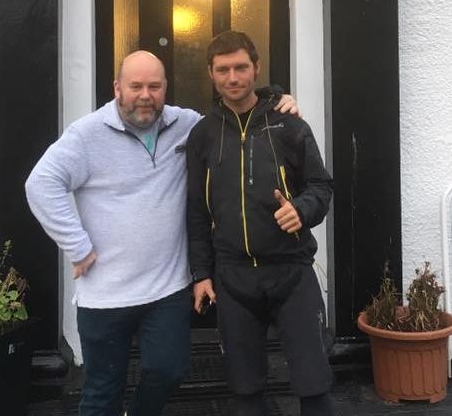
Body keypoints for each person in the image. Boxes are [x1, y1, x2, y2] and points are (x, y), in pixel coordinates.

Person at [25, 50, 299, 416]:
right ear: (117, 88)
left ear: (165, 89)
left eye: (154, 86)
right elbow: (41, 184)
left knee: (168, 371)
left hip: (166, 290)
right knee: (102, 391)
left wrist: (275, 97)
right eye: (135, 86)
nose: (145, 95)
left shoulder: (185, 125)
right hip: (105, 296)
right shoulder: (87, 134)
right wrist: (77, 246)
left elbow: (234, 120)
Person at [187, 31, 334, 416]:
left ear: (256, 68)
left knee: (313, 382)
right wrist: (202, 273)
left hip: (291, 270)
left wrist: (302, 210)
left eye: (240, 67)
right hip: (233, 276)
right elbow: (197, 212)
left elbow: (321, 186)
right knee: (245, 388)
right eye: (223, 70)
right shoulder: (202, 134)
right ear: (211, 73)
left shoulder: (289, 125)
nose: (232, 78)